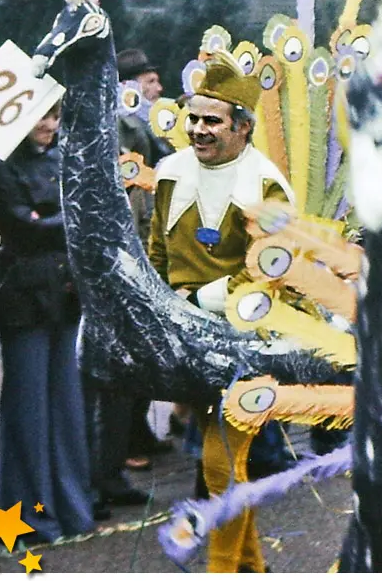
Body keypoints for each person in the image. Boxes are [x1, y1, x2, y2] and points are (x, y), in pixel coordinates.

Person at [148, 56, 296, 573]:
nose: (197, 129)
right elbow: (158, 252)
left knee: (220, 459)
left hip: (246, 336)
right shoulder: (171, 173)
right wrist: (163, 307)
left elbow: (271, 272)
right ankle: (250, 565)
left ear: (243, 127)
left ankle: (223, 568)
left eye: (212, 121)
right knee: (222, 456)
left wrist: (197, 300)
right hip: (186, 337)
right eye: (193, 118)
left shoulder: (268, 187)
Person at [0, 101, 97, 543]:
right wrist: (70, 218)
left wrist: (51, 219)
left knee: (67, 406)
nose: (49, 124)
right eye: (41, 116)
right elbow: (23, 227)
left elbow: (43, 223)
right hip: (26, 297)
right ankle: (34, 514)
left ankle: (71, 509)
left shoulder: (58, 157)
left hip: (64, 293)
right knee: (28, 408)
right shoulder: (2, 166)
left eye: (53, 115)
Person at [116, 48, 175, 472]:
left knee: (147, 346)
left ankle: (139, 431)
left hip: (147, 233)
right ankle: (126, 438)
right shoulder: (124, 121)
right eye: (149, 82)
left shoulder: (145, 120)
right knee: (133, 347)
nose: (158, 89)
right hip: (133, 239)